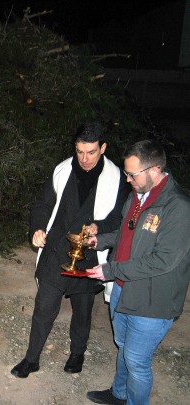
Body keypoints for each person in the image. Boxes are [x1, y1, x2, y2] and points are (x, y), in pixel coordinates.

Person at [11, 122, 130, 378]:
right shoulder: (62, 170)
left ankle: (77, 353)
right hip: (56, 249)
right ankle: (32, 358)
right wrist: (37, 228)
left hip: (88, 253)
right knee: (44, 306)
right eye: (79, 151)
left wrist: (98, 227)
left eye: (91, 152)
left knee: (82, 308)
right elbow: (43, 204)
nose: (84, 159)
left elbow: (120, 218)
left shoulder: (117, 179)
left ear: (103, 148)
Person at [85, 140, 190, 405]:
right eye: (126, 173)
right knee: (123, 346)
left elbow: (163, 261)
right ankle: (119, 394)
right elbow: (125, 233)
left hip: (152, 300)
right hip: (123, 288)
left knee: (136, 360)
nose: (128, 179)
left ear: (154, 170)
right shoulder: (136, 196)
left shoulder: (178, 207)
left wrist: (111, 269)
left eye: (132, 174)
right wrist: (100, 240)